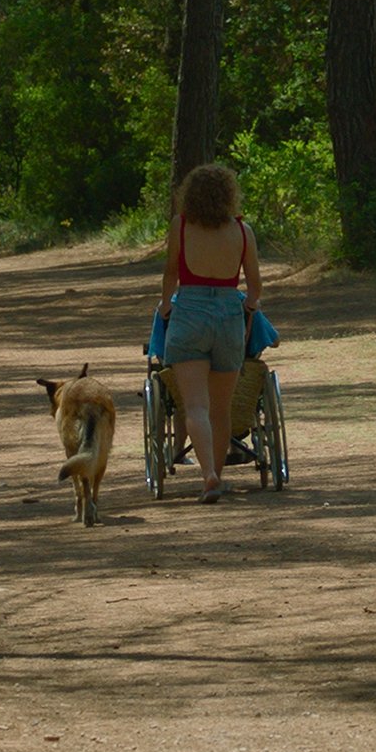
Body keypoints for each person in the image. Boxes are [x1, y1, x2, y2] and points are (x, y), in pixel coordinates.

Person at [157, 162, 265, 504]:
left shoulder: (182, 226)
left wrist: (164, 305)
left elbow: (171, 274)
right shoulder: (242, 231)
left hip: (189, 312)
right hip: (228, 317)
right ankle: (218, 475)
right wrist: (248, 305)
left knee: (195, 406)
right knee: (222, 409)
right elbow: (255, 285)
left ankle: (208, 475)